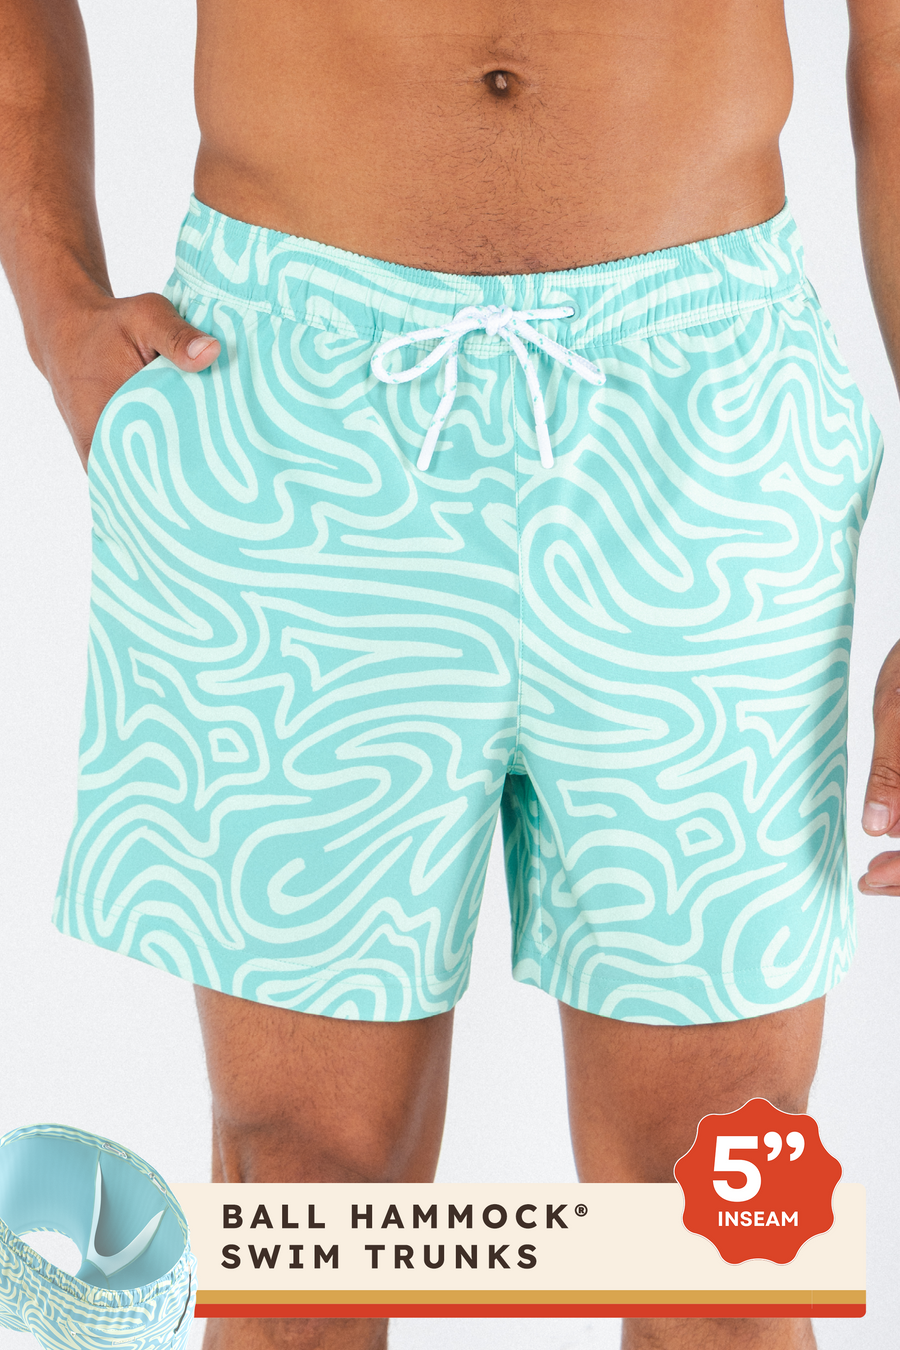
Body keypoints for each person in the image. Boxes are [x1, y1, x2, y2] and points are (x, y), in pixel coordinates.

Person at [1, 3, 898, 1349]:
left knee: (723, 1221)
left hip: (703, 420)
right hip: (294, 404)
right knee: (303, 1204)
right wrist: (55, 295)